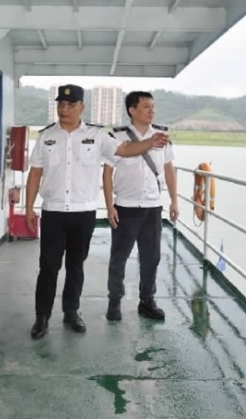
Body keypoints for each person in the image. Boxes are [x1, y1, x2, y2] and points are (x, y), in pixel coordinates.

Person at [25, 84, 169, 340]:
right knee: (48, 267)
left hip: (83, 213)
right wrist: (28, 208)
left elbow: (124, 149)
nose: (64, 109)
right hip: (53, 212)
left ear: (81, 107)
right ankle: (42, 316)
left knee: (76, 266)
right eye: (61, 104)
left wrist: (149, 143)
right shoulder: (46, 136)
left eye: (70, 105)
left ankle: (71, 312)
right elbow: (35, 173)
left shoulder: (97, 135)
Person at [102, 91, 179, 322]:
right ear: (132, 110)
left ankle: (147, 301)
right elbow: (107, 173)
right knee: (119, 258)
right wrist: (109, 206)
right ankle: (114, 302)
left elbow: (168, 169)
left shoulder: (161, 136)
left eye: (153, 107)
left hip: (152, 207)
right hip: (125, 207)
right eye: (146, 107)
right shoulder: (117, 137)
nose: (151, 111)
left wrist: (174, 200)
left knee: (151, 257)